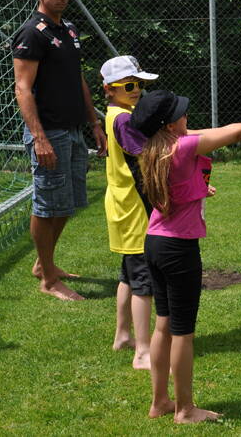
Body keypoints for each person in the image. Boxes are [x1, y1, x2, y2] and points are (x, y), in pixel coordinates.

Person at [131, 90, 241, 424]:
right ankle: (184, 409)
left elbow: (175, 188)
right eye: (181, 114)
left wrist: (197, 189)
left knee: (163, 325)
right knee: (182, 332)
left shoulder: (153, 149)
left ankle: (160, 402)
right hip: (179, 250)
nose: (187, 117)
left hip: (154, 242)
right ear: (168, 124)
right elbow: (235, 132)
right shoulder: (182, 146)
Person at [12, 0, 107, 301]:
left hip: (74, 129)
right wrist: (38, 137)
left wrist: (94, 123)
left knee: (67, 204)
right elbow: (22, 88)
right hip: (48, 131)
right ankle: (49, 280)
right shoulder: (31, 33)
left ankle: (44, 265)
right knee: (47, 205)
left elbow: (77, 78)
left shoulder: (69, 28)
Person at [101, 55, 159, 369]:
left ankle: (123, 335)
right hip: (134, 209)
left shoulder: (118, 113)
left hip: (122, 204)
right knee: (143, 282)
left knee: (127, 274)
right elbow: (146, 155)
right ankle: (143, 352)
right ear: (109, 88)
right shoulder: (122, 118)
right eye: (130, 85)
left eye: (140, 84)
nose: (136, 90)